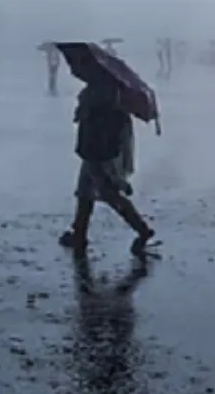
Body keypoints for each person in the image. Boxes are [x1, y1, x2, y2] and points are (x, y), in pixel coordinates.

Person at [59, 66, 156, 255]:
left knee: (108, 193)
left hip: (97, 149)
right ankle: (79, 233)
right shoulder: (107, 89)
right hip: (97, 148)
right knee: (85, 193)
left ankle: (142, 230)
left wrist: (82, 108)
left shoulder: (101, 91)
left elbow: (93, 118)